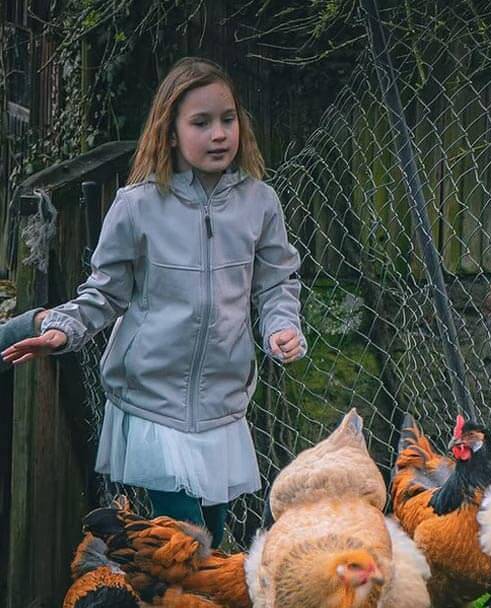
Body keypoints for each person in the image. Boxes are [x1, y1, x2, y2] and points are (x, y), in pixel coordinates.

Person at [1, 57, 307, 548]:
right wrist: (63, 329)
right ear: (170, 132)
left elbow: (276, 283)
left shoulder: (260, 202)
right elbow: (105, 292)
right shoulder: (137, 205)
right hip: (151, 402)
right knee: (188, 540)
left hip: (222, 403)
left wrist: (281, 327)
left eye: (227, 119)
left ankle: (158, 594)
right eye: (201, 123)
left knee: (211, 535)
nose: (219, 134)